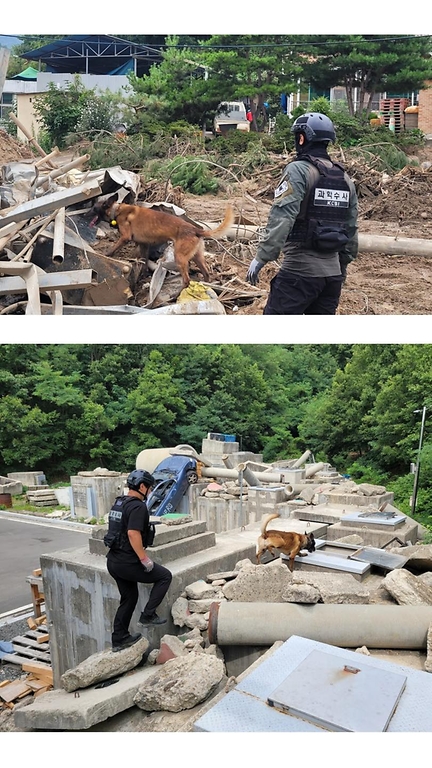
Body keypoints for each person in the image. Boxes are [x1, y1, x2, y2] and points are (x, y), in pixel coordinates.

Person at [246, 112, 358, 314]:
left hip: (298, 273)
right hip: (332, 280)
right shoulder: (344, 178)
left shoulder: (298, 170)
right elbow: (351, 230)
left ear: (301, 138)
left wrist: (262, 257)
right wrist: (340, 269)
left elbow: (282, 217)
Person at [106, 469, 172, 652]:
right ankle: (148, 615)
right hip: (128, 562)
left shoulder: (119, 503)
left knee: (129, 597)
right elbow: (133, 533)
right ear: (142, 486)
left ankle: (119, 638)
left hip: (113, 561)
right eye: (149, 488)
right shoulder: (138, 506)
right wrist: (144, 559)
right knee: (165, 576)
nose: (150, 492)